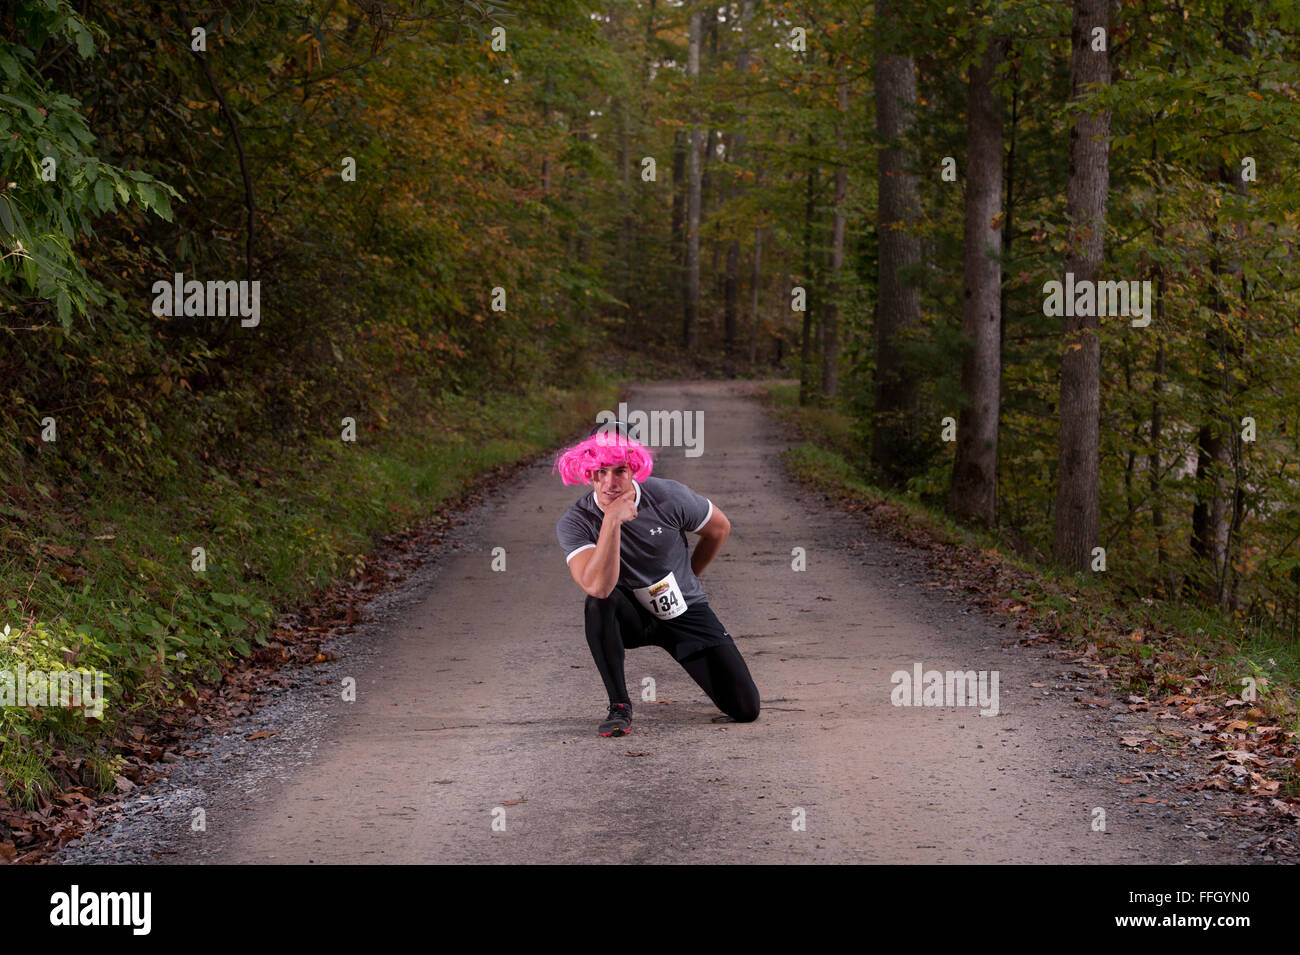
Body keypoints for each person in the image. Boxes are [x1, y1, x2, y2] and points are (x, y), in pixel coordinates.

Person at [554, 424, 760, 737]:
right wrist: (611, 521)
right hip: (629, 617)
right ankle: (619, 706)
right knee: (598, 601)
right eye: (600, 471)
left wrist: (689, 575)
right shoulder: (576, 521)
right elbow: (598, 586)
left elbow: (718, 528)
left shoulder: (668, 496)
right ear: (588, 472)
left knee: (746, 709)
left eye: (620, 470)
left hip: (681, 609)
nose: (609, 482)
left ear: (634, 467)